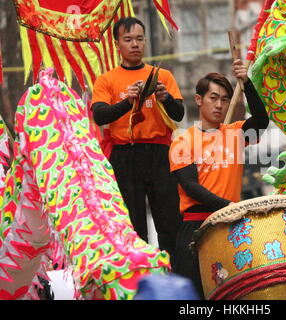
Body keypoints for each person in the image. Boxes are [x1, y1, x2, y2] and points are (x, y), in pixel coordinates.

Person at [168, 60, 269, 298]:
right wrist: (227, 207)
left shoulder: (235, 133)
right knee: (192, 296)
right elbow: (190, 186)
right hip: (196, 226)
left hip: (230, 225)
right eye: (213, 98)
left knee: (233, 293)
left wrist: (246, 83)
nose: (219, 104)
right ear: (199, 100)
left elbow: (262, 120)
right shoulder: (183, 140)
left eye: (225, 99)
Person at [91, 17, 183, 260]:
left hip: (159, 154)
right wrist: (127, 101)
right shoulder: (107, 80)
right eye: (128, 39)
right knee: (132, 222)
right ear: (117, 44)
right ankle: (138, 277)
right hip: (124, 155)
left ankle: (175, 274)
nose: (135, 44)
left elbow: (179, 114)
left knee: (169, 218)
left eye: (139, 39)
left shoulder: (162, 75)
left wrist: (165, 98)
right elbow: (99, 116)